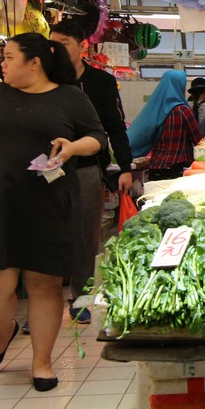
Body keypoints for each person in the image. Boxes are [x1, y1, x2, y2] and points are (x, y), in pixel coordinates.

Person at [0, 33, 107, 392]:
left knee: (43, 284)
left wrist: (72, 147)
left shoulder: (70, 97)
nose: (3, 64)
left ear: (34, 62)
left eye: (9, 57)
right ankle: (3, 331)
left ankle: (41, 362)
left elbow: (97, 138)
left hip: (49, 201)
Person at [49, 20, 134, 325]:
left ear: (82, 46)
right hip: (45, 173)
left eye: (63, 43)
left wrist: (126, 167)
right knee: (49, 236)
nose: (55, 50)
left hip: (86, 171)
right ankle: (44, 303)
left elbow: (115, 125)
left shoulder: (101, 83)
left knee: (85, 235)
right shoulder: (42, 80)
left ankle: (82, 296)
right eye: (51, 43)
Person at [128, 71, 201, 181]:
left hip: (156, 166)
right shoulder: (183, 110)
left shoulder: (155, 108)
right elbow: (198, 140)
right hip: (177, 168)